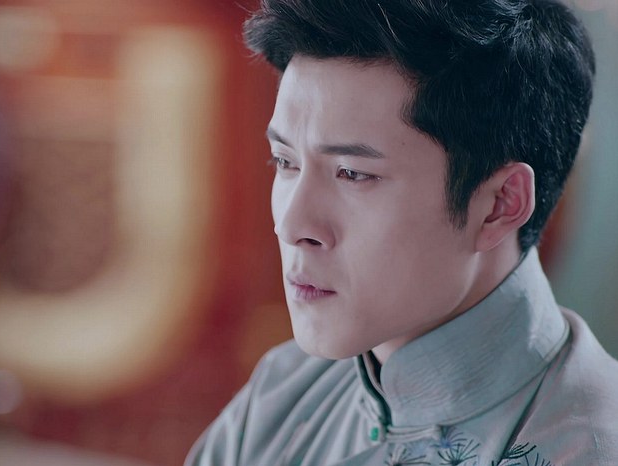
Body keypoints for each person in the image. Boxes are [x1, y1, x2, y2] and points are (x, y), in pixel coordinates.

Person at [186, 1, 618, 465]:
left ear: (499, 205)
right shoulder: (281, 395)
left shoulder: (587, 448)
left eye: (352, 173)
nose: (291, 226)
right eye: (285, 161)